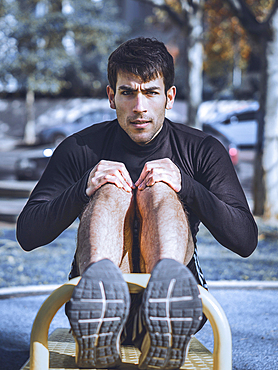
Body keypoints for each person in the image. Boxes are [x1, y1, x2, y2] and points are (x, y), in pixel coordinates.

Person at [16, 37, 258, 369]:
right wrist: (82, 187)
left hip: (172, 305)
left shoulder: (201, 150)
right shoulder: (81, 149)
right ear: (111, 96)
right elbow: (28, 234)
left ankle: (169, 309)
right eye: (128, 92)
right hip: (91, 308)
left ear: (169, 97)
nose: (139, 106)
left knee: (159, 188)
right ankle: (100, 311)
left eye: (151, 93)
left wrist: (186, 186)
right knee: (110, 188)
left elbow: (245, 240)